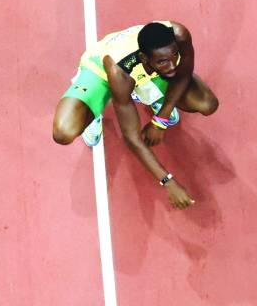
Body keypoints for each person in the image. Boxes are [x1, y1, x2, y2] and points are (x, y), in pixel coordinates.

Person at [53, 21, 219, 209]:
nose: (172, 64)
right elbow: (131, 136)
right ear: (144, 58)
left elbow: (183, 73)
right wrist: (167, 181)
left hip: (149, 74)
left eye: (174, 55)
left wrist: (160, 121)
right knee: (63, 132)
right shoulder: (119, 72)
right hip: (101, 73)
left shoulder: (179, 35)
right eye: (163, 61)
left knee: (207, 103)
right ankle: (93, 111)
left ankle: (152, 96)